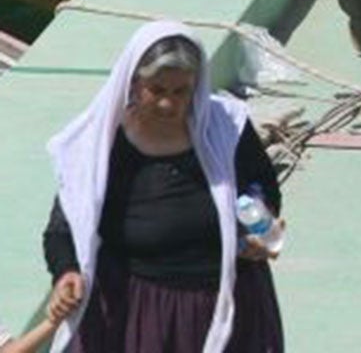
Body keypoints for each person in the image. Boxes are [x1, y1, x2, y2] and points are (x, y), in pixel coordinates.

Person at [43, 24, 285, 353]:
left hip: (231, 302)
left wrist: (262, 225)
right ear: (133, 84)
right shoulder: (101, 147)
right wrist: (66, 272)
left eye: (180, 91)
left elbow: (263, 186)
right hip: (138, 310)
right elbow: (62, 229)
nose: (169, 104)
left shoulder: (227, 129)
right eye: (156, 90)